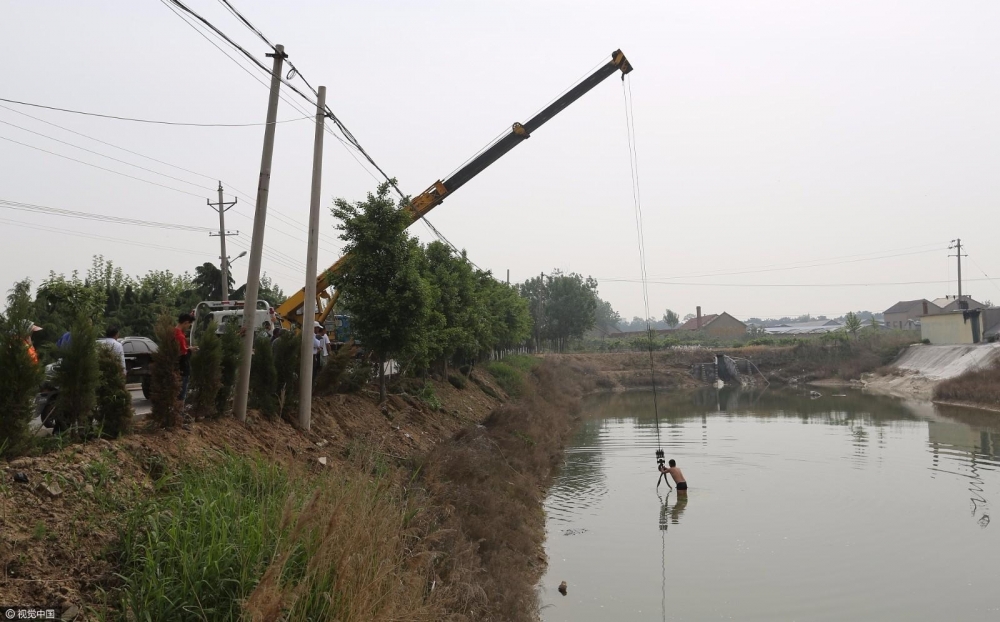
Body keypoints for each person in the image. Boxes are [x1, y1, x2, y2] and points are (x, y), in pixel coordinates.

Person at [175, 313, 197, 402]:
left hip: (176, 368)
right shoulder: (180, 336)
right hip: (183, 369)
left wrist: (188, 348)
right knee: (181, 396)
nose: (188, 327)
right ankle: (179, 413)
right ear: (185, 323)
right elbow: (183, 353)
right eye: (189, 325)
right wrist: (190, 350)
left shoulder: (173, 332)